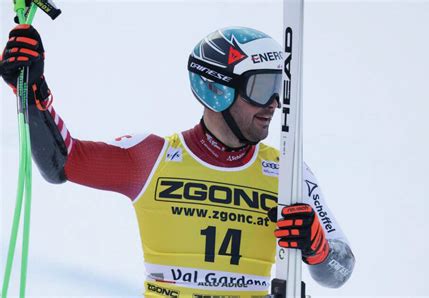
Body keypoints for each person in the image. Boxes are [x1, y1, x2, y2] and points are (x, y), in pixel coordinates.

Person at [0, 24, 355, 297]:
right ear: (217, 89)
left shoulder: (287, 172)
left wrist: (317, 249)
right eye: (261, 89)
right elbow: (63, 162)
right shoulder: (151, 158)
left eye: (280, 88)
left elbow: (340, 270)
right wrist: (31, 92)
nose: (274, 104)